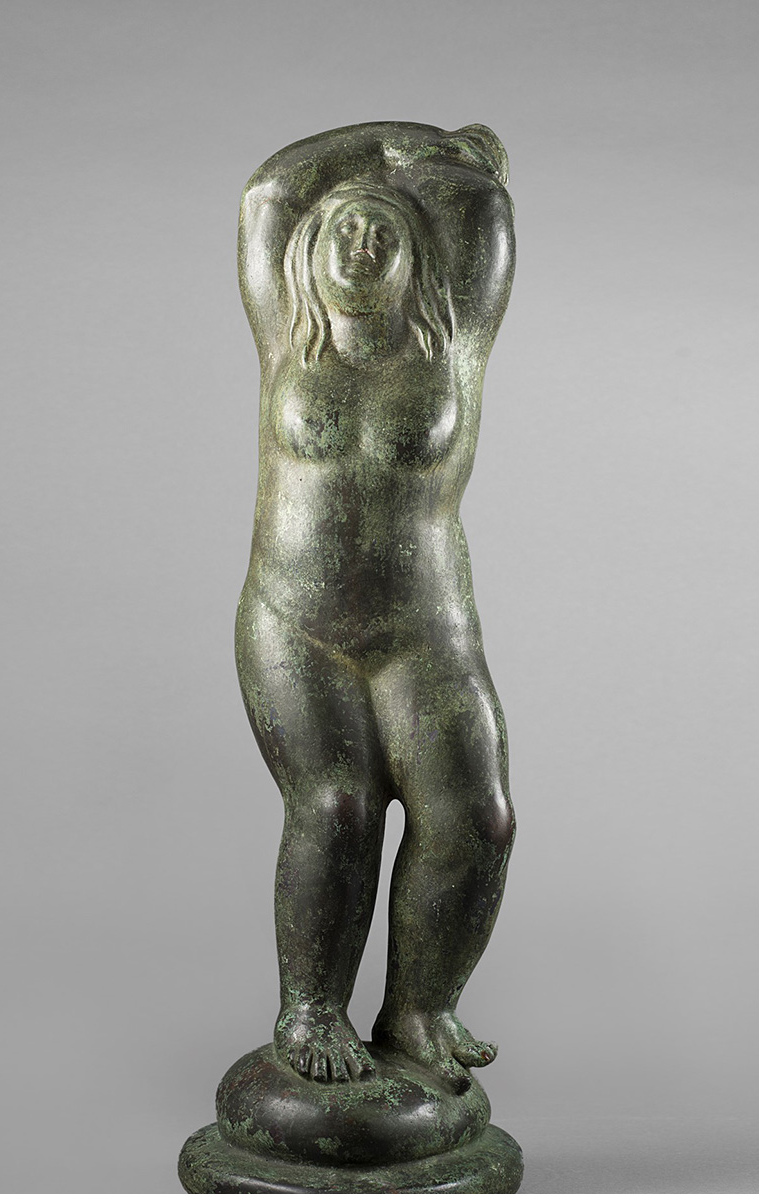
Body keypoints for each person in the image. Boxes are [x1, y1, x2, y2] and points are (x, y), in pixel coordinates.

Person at [235, 122, 516, 1093]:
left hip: (425, 630)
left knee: (477, 816)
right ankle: (310, 1009)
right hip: (296, 623)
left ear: (416, 259)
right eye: (344, 229)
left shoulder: (456, 341)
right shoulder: (285, 331)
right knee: (339, 805)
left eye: (383, 233)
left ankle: (420, 1009)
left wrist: (454, 158)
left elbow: (482, 205)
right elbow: (270, 191)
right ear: (306, 257)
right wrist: (400, 141)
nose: (360, 245)